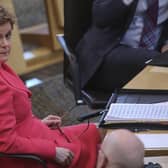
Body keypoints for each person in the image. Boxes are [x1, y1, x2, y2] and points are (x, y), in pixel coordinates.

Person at [0, 5, 144, 168]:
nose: (5, 44)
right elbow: (6, 143)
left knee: (102, 132)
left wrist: (38, 123)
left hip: (36, 136)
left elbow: (15, 119)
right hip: (30, 156)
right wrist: (52, 151)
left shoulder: (4, 67)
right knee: (109, 150)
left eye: (8, 36)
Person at [75, 0, 168, 92]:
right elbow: (101, 18)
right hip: (108, 53)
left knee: (158, 63)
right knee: (157, 62)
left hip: (152, 53)